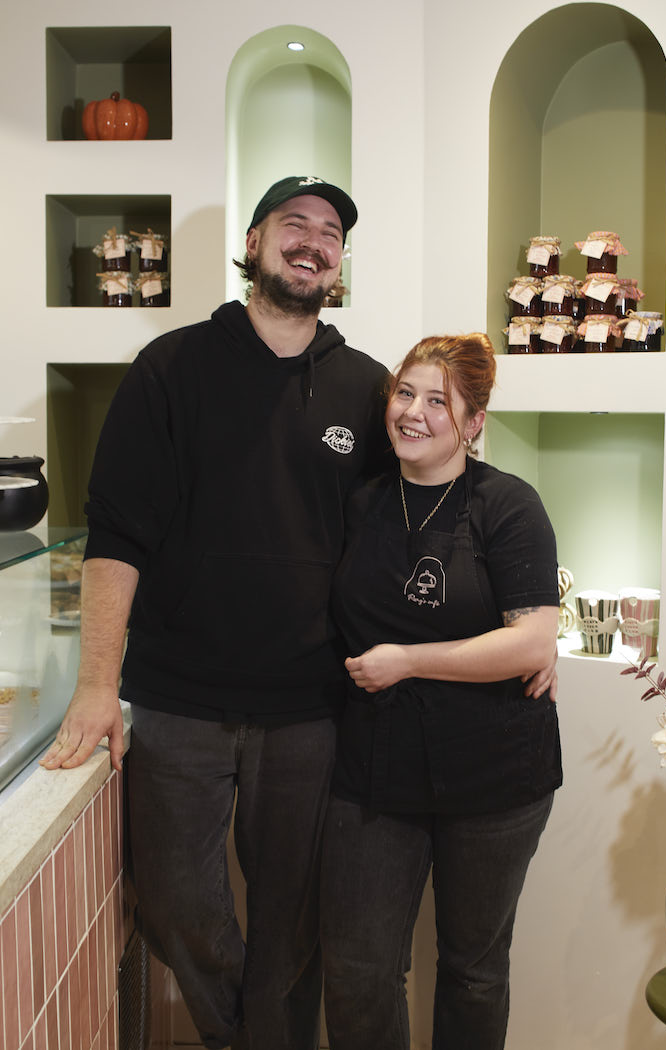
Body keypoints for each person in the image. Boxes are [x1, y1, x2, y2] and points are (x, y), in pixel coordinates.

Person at [40, 176, 392, 1050]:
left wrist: (518, 619)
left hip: (310, 708)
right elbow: (117, 538)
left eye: (331, 234)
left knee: (292, 922)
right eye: (295, 224)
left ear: (340, 263)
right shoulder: (172, 368)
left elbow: (404, 536)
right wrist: (95, 686)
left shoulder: (366, 388)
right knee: (172, 904)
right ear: (255, 238)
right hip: (178, 706)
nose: (313, 242)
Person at [320, 333, 562, 1050]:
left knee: (473, 972)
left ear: (474, 422)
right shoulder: (361, 501)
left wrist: (407, 660)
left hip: (494, 774)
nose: (414, 413)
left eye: (438, 401)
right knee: (360, 970)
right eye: (405, 393)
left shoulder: (508, 506)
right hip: (374, 768)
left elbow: (530, 642)